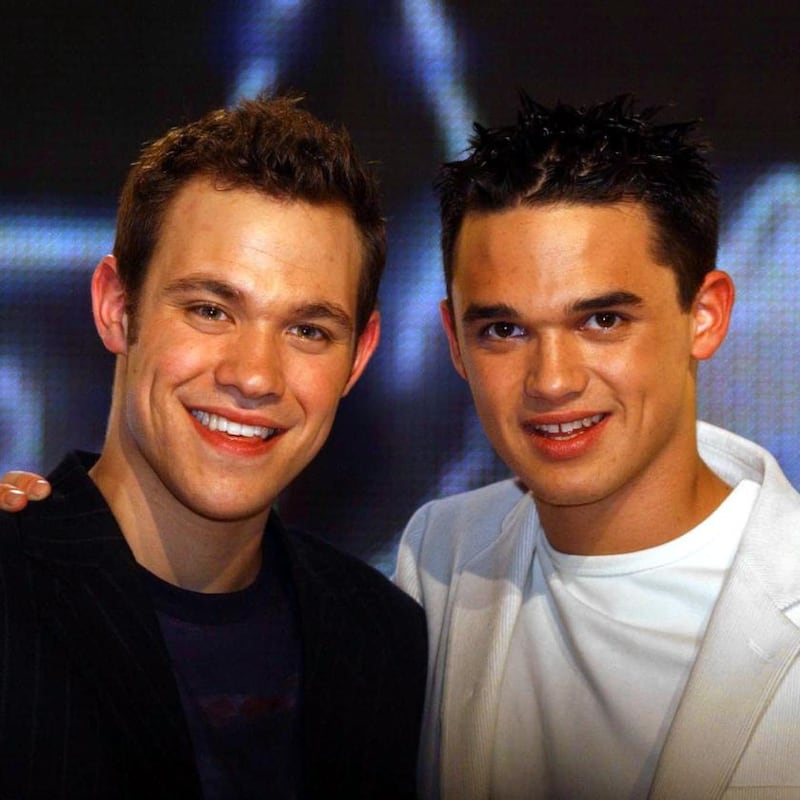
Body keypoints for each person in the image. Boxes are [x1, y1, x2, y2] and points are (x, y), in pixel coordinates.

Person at [0, 95, 426, 799]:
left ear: (359, 357)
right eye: (210, 309)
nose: (254, 375)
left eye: (308, 330)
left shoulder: (385, 638)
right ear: (117, 306)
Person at [392, 95, 800, 798]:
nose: (552, 380)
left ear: (704, 316)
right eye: (503, 331)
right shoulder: (438, 556)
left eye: (603, 320)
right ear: (454, 340)